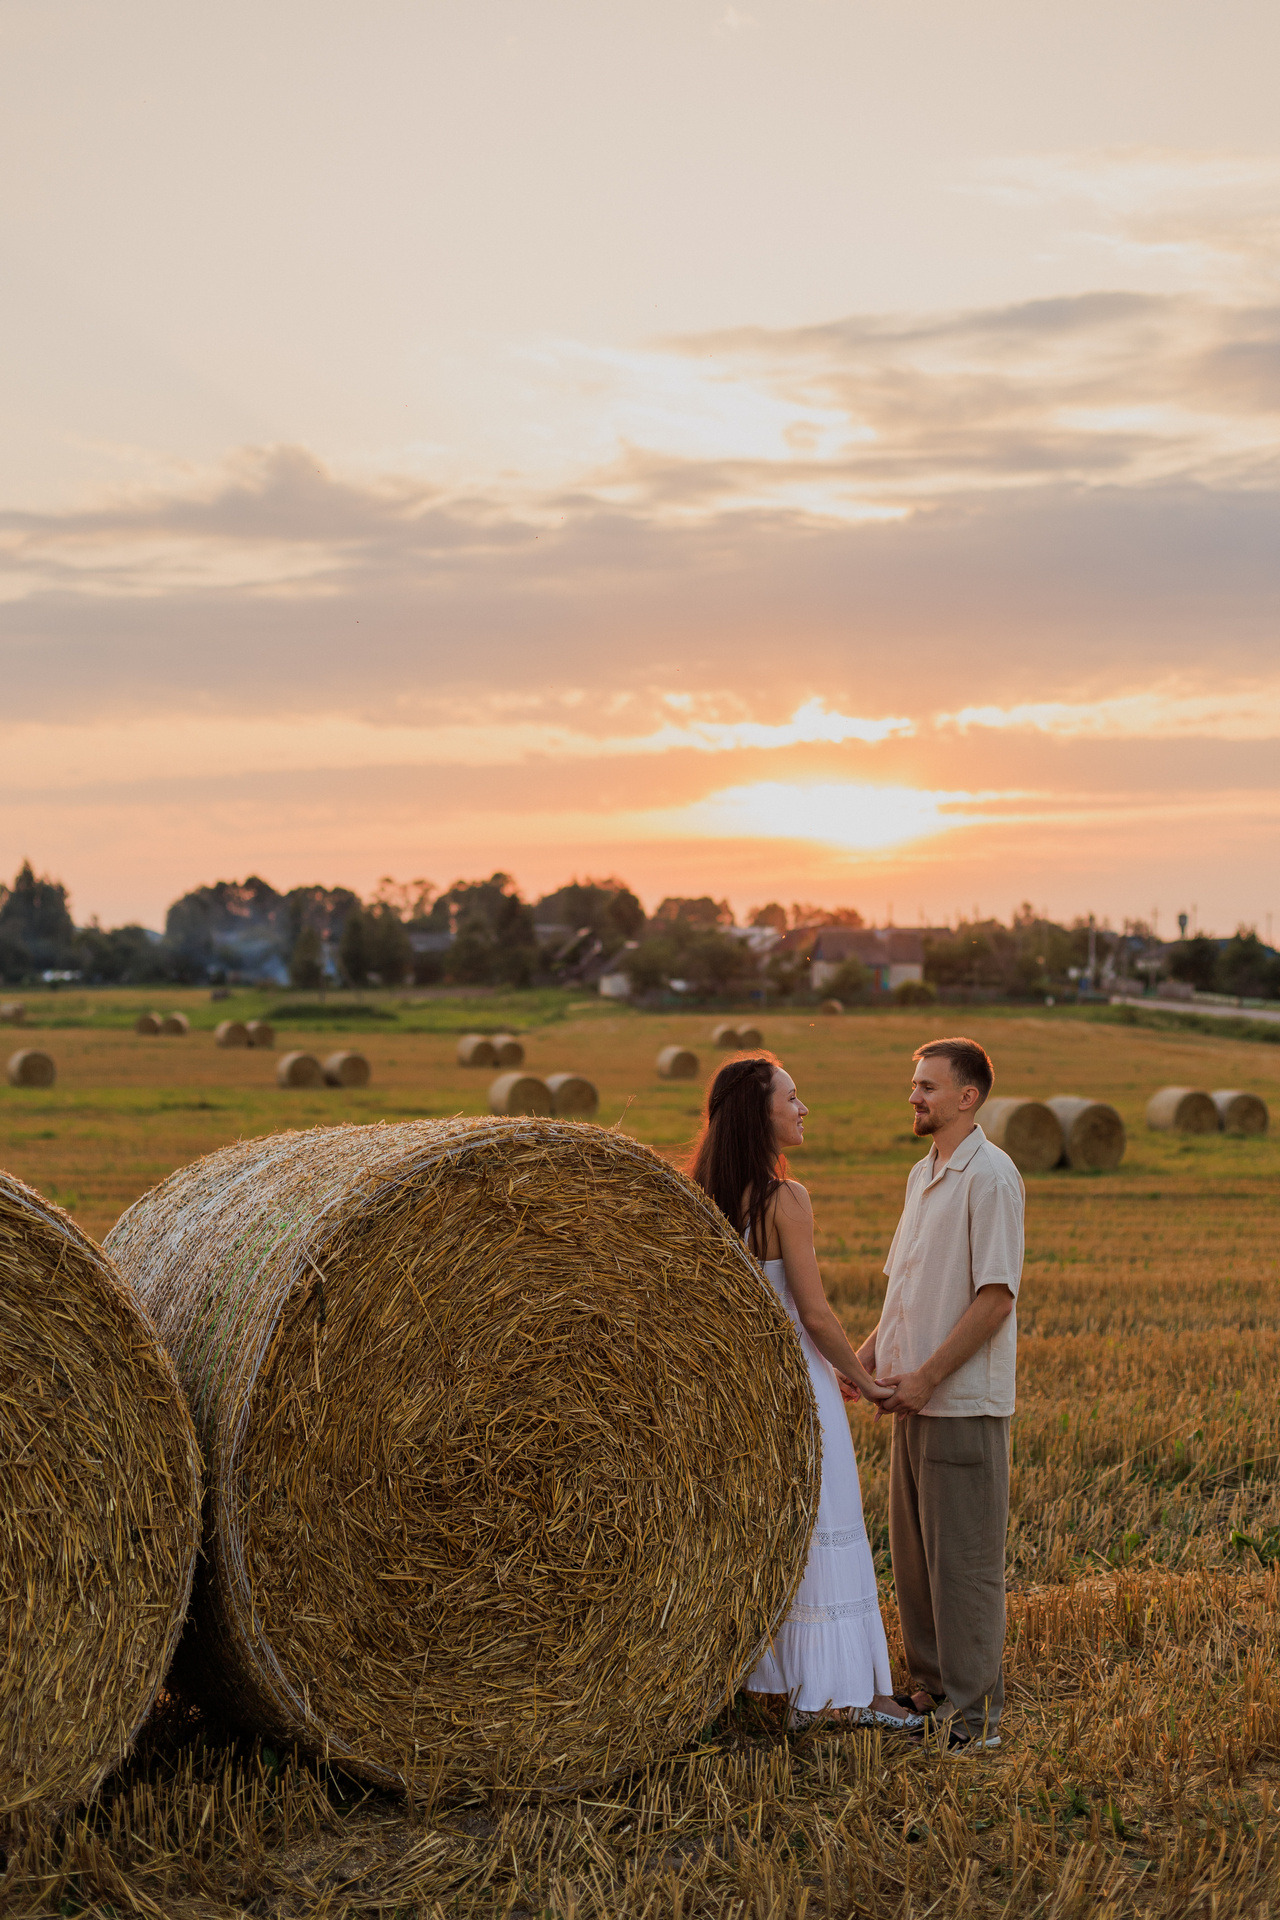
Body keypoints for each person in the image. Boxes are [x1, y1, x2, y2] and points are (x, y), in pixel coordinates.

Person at [689, 1053, 920, 1731]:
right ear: (758, 1114)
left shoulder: (696, 1197)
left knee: (768, 1533)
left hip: (737, 1390)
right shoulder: (784, 1199)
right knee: (824, 1525)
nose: (803, 1108)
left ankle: (778, 1682)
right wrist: (864, 1379)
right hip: (795, 1384)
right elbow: (814, 1315)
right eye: (791, 1098)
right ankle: (843, 1693)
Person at [852, 1036, 1023, 1752]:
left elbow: (995, 1299)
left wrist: (927, 1376)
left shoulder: (991, 1176)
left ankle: (976, 1721)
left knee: (965, 1567)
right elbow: (904, 1290)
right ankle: (930, 1689)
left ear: (967, 1097)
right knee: (917, 1561)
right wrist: (864, 1358)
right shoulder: (923, 1174)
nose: (914, 1096)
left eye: (928, 1086)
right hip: (912, 1401)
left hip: (959, 1404)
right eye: (914, 1084)